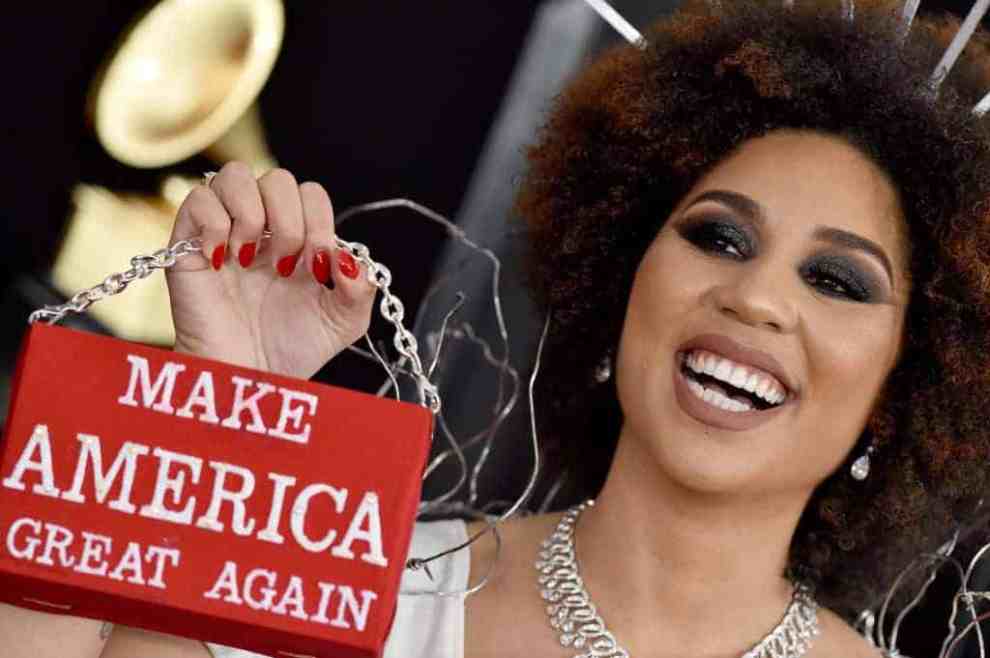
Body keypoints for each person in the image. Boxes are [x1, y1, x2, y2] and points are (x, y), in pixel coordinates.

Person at [6, 0, 990, 656]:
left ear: (904, 388)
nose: (758, 296)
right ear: (619, 285)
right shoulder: (366, 591)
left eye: (836, 278)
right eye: (719, 236)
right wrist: (231, 409)